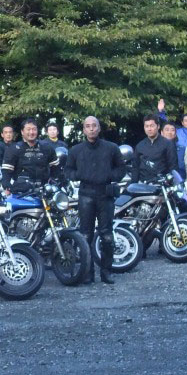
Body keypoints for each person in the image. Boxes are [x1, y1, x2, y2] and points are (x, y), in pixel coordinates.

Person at [66, 116, 126, 284]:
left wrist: (109, 176)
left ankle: (106, 272)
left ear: (99, 128)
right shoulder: (76, 150)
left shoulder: (111, 148)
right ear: (84, 130)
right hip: (85, 194)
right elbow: (68, 170)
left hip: (105, 194)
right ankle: (88, 272)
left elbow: (121, 168)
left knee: (107, 236)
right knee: (85, 236)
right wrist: (78, 175)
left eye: (94, 126)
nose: (91, 129)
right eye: (88, 126)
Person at [1, 119, 59, 195]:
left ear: (37, 131)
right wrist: (7, 189)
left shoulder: (47, 147)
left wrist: (55, 184)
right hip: (21, 194)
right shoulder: (13, 149)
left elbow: (56, 170)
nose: (31, 132)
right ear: (22, 132)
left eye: (34, 129)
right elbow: (6, 173)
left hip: (44, 192)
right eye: (28, 129)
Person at [132, 114, 177, 183]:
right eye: (147, 126)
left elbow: (173, 168)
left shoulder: (168, 144)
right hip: (142, 184)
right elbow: (135, 168)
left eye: (152, 126)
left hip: (161, 184)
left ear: (158, 126)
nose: (149, 129)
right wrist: (133, 184)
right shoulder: (140, 146)